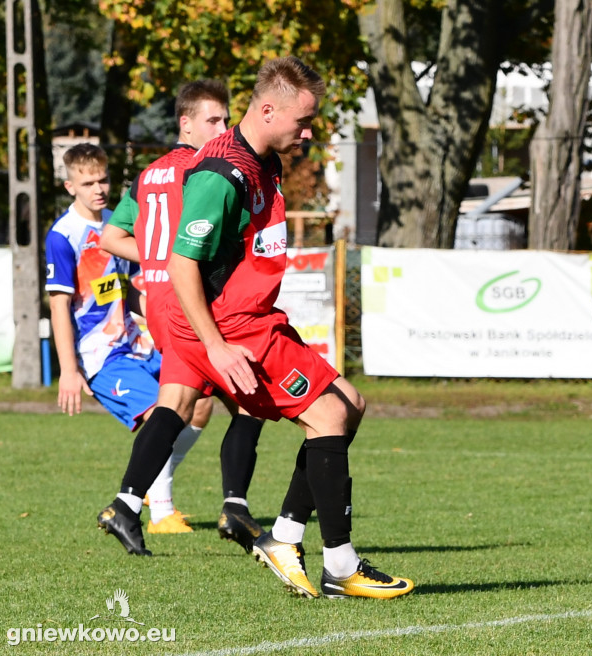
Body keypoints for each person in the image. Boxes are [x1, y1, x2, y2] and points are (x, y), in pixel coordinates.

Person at [164, 56, 413, 600]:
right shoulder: (221, 174)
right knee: (328, 413)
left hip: (259, 318)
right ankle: (340, 564)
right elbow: (182, 264)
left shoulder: (264, 159)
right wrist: (216, 346)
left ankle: (284, 536)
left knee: (351, 405)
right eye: (302, 121)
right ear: (268, 108)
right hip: (234, 326)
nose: (308, 132)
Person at [99, 80, 267, 556]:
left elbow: (112, 237)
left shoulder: (148, 173)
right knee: (249, 400)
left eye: (225, 119)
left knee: (178, 403)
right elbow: (195, 247)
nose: (223, 128)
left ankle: (128, 503)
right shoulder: (205, 169)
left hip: (158, 302)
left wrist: (152, 259)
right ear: (185, 123)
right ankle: (234, 504)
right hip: (192, 302)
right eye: (213, 120)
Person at [45, 144, 202, 539]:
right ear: (70, 186)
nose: (98, 188)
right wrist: (68, 369)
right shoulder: (63, 237)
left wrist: (159, 320)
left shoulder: (116, 222)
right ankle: (162, 512)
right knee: (159, 414)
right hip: (102, 357)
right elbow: (59, 305)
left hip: (138, 343)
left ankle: (150, 484)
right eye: (88, 182)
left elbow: (125, 290)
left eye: (103, 180)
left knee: (199, 403)